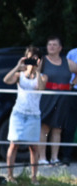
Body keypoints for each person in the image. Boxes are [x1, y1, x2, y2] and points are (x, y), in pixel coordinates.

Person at [4, 46, 47, 184]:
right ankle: (10, 176)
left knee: (33, 147)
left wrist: (38, 70)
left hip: (34, 114)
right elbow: (6, 80)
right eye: (29, 58)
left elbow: (40, 88)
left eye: (34, 58)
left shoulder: (43, 76)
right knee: (14, 144)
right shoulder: (20, 75)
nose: (32, 61)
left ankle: (34, 177)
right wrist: (18, 66)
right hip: (18, 113)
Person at [38, 37, 75, 165]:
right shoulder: (42, 61)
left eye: (54, 45)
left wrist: (72, 83)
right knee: (44, 128)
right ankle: (42, 158)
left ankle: (55, 157)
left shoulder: (67, 62)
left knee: (58, 128)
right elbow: (30, 72)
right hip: (47, 97)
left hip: (63, 97)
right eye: (49, 44)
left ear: (60, 48)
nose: (51, 47)